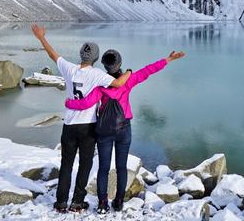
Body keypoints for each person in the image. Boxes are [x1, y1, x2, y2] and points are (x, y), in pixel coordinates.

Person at [65, 48, 186, 214]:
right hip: (123, 129)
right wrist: (168, 59)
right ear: (119, 64)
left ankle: (102, 203)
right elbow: (148, 70)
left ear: (105, 66)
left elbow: (86, 103)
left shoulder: (100, 84)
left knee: (103, 168)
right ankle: (119, 201)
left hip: (104, 131)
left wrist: (69, 103)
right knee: (121, 167)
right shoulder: (128, 80)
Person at [30, 23, 132, 214]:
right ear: (96, 58)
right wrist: (129, 72)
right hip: (88, 126)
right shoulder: (97, 74)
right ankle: (77, 201)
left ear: (81, 54)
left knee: (66, 164)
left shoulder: (68, 68)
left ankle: (61, 202)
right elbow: (119, 84)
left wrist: (41, 37)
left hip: (69, 125)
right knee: (85, 164)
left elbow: (53, 55)